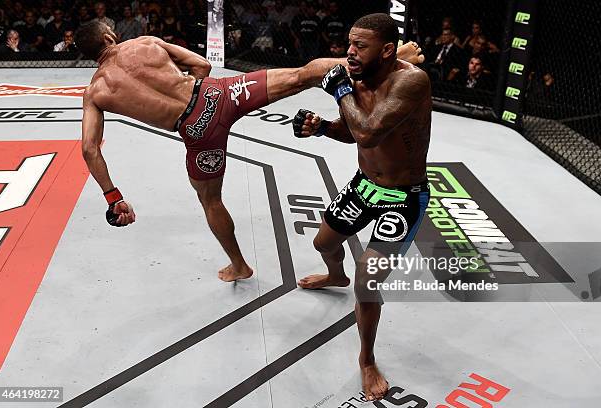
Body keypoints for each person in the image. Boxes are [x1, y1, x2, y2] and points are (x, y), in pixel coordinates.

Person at [73, 20, 424, 283]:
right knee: (303, 75)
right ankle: (389, 65)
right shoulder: (145, 43)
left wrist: (113, 197)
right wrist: (177, 83)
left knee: (211, 202)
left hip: (197, 133)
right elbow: (203, 66)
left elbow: (90, 150)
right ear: (109, 37)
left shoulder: (96, 92)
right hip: (220, 94)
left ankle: (239, 265)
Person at [292, 13, 431, 401]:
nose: (349, 52)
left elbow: (369, 132)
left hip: (404, 197)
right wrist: (320, 126)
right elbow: (351, 129)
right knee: (323, 245)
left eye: (360, 46)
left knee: (368, 280)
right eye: (349, 44)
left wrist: (339, 91)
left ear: (387, 50)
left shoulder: (412, 81)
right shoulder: (357, 77)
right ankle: (334, 276)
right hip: (364, 186)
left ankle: (366, 360)